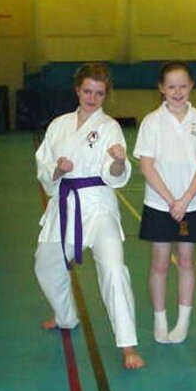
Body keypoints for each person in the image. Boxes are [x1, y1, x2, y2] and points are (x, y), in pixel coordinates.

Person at [34, 62, 143, 370]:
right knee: (46, 265)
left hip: (98, 207)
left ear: (106, 95)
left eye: (99, 93)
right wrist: (57, 170)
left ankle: (128, 346)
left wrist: (120, 163)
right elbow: (43, 165)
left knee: (113, 270)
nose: (92, 98)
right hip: (65, 204)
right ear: (77, 90)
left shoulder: (110, 127)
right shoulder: (58, 125)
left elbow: (115, 174)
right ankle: (66, 316)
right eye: (87, 91)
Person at [133, 61, 196, 344]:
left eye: (183, 86)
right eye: (171, 87)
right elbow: (146, 165)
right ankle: (160, 319)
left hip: (191, 204)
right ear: (161, 89)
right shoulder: (151, 122)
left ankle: (182, 322)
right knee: (159, 264)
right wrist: (170, 200)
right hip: (159, 204)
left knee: (188, 262)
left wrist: (185, 199)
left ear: (191, 85)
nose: (177, 92)